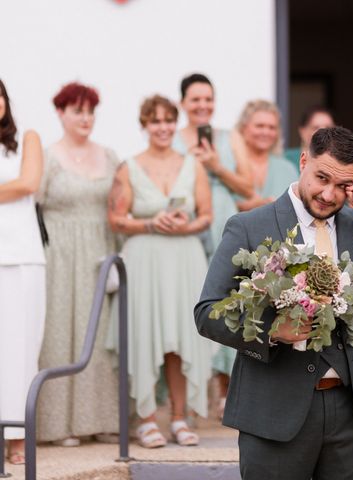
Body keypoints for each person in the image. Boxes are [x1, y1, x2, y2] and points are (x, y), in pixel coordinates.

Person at [194, 126, 353, 479]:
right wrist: (273, 331)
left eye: (342, 186)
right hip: (273, 409)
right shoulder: (248, 226)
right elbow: (207, 313)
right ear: (304, 160)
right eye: (321, 177)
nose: (328, 194)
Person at [106, 95, 213, 448]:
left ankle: (180, 418)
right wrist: (151, 222)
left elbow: (206, 216)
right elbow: (116, 219)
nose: (163, 127)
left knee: (180, 340)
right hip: (145, 260)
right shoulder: (128, 167)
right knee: (145, 337)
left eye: (169, 120)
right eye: (155, 121)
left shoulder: (192, 166)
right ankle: (147, 418)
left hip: (185, 260)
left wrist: (185, 225)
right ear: (144, 126)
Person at [36, 82, 120, 446]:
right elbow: (30, 206)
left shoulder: (109, 155)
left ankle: (100, 419)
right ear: (60, 113)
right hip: (59, 256)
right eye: (77, 111)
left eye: (90, 111)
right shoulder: (48, 156)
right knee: (59, 334)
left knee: (101, 336)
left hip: (99, 252)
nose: (85, 118)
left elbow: (117, 206)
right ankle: (58, 426)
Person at [173, 73, 254, 418]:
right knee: (191, 300)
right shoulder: (173, 139)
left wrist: (215, 165)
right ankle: (190, 392)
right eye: (195, 100)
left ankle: (225, 387)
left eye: (208, 99)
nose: (202, 106)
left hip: (224, 222)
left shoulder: (229, 137)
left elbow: (248, 186)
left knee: (228, 298)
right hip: (188, 226)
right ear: (183, 104)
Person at [0, 79, 45, 465]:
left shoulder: (27, 139)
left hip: (23, 258)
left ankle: (17, 436)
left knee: (21, 348)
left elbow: (29, 181)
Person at [234, 99, 298, 212]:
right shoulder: (230, 164)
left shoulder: (288, 169)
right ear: (243, 128)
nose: (266, 132)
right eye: (260, 126)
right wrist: (248, 206)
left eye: (272, 127)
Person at [284, 106, 335, 170]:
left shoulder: (341, 162)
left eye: (328, 128)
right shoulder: (285, 159)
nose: (323, 132)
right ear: (302, 131)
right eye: (316, 127)